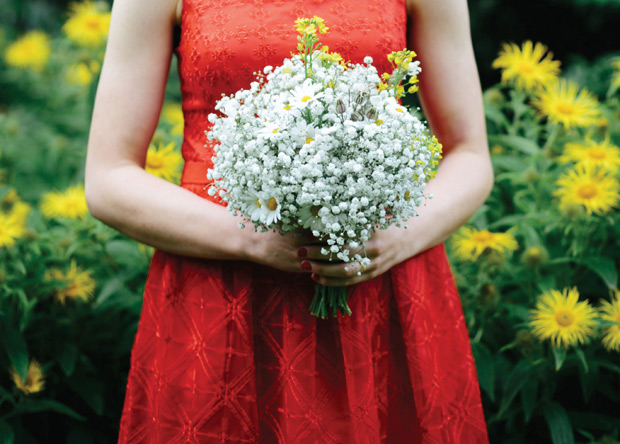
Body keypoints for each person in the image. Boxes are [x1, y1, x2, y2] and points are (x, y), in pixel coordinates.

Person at [85, 0, 493, 442]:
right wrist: (254, 240)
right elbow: (109, 178)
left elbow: (470, 155)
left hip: (379, 285)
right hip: (220, 288)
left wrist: (395, 238)